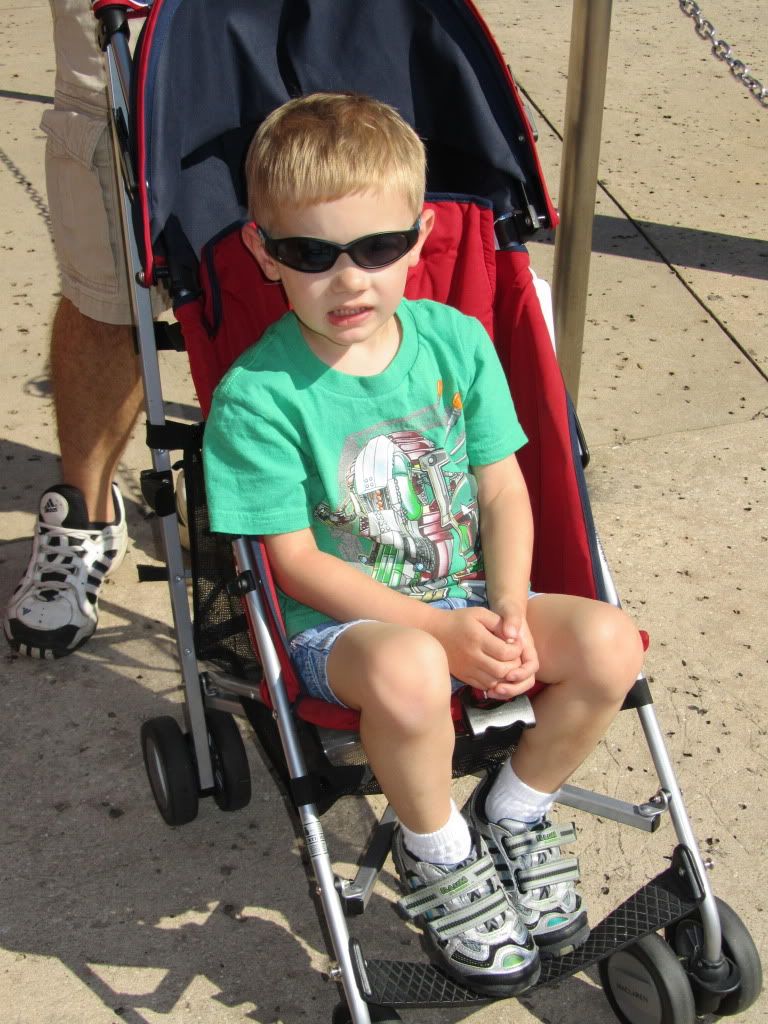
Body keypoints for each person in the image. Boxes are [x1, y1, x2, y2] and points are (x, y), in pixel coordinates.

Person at [202, 92, 645, 997]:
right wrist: (439, 633)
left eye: (377, 248)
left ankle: (516, 809)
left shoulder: (455, 342)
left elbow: (502, 487)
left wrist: (508, 607)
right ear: (263, 252)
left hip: (469, 590)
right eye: (311, 254)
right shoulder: (258, 396)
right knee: (409, 668)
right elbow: (296, 563)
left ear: (421, 238)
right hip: (342, 629)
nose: (349, 281)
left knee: (609, 642)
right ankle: (438, 848)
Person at [4, 0, 152, 659]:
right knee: (105, 287)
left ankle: (269, 511)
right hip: (119, 25)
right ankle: (86, 514)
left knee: (302, 262)